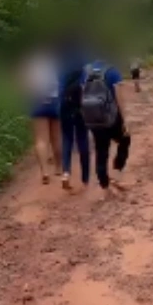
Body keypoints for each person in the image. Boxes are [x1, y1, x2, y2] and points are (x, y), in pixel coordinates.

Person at [82, 58, 131, 195]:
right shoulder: (112, 71)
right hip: (111, 117)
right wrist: (125, 120)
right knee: (125, 139)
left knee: (101, 150)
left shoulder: (86, 70)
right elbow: (119, 97)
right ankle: (117, 172)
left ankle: (105, 187)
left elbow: (82, 94)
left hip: (93, 118)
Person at [21, 45, 62, 185]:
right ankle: (59, 167)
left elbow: (27, 87)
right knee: (56, 138)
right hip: (55, 102)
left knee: (41, 140)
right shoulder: (57, 65)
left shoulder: (32, 65)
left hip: (38, 102)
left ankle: (45, 172)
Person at [56, 35, 92, 191]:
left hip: (64, 104)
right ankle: (85, 179)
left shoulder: (60, 62)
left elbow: (59, 86)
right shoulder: (83, 59)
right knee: (82, 138)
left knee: (67, 138)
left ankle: (66, 172)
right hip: (81, 104)